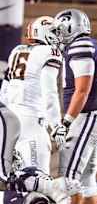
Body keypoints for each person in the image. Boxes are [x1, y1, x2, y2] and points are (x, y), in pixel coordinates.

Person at [50, 8, 97, 204]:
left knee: (70, 176)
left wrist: (67, 120)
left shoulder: (80, 47)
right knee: (87, 178)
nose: (58, 34)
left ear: (69, 27)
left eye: (59, 29)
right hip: (95, 116)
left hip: (86, 117)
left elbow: (83, 89)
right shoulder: (92, 45)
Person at [4, 16, 62, 175]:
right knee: (39, 177)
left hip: (10, 118)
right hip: (32, 121)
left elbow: (5, 87)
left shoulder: (17, 51)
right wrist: (56, 124)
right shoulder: (50, 52)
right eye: (55, 32)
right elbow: (49, 90)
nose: (59, 37)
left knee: (16, 178)